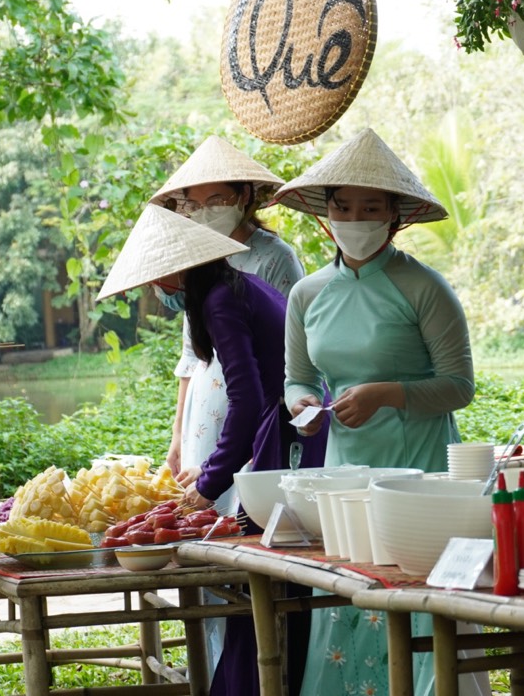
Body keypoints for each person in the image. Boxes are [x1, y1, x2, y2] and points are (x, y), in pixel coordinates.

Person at [275, 128, 485, 696]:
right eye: (344, 207)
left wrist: (388, 393)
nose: (356, 218)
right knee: (347, 606)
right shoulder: (308, 294)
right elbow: (296, 379)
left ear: (396, 216)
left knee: (419, 607)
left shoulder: (423, 287)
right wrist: (304, 405)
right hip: (345, 480)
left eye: (371, 207)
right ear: (326, 216)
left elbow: (459, 385)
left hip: (420, 471)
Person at [97, 203, 316, 696]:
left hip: (286, 432)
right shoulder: (227, 286)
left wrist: (212, 481)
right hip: (275, 429)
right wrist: (214, 470)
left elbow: (249, 397)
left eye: (157, 277)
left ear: (178, 268)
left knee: (269, 572)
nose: (157, 290)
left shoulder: (220, 297)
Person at [149, 135, 308, 512]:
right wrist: (178, 434)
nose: (206, 211)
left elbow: (292, 347)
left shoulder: (273, 258)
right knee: (202, 510)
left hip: (254, 402)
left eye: (217, 200)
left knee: (244, 510)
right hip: (208, 405)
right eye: (194, 204)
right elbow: (193, 355)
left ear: (244, 197)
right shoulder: (199, 266)